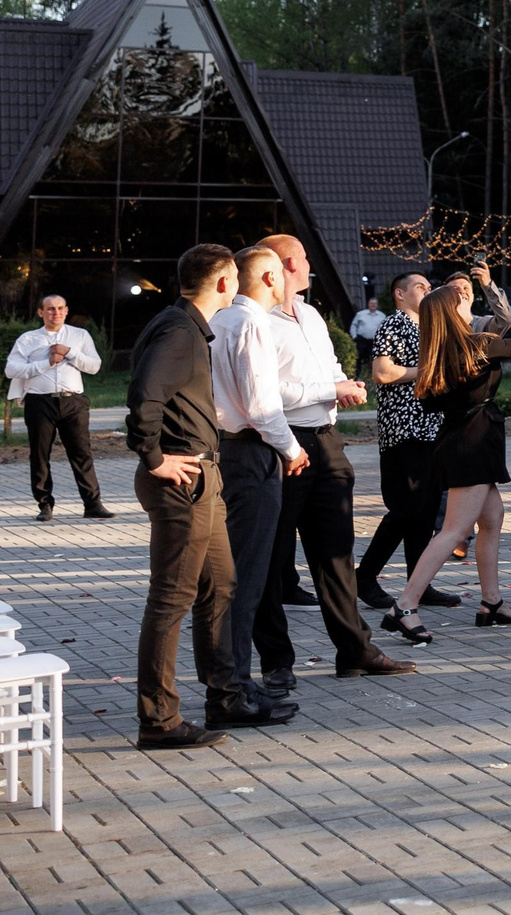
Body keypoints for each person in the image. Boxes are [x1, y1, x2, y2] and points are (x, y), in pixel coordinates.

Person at [252, 234, 405, 687]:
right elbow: (263, 392)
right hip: (282, 443)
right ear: (282, 265)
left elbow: (329, 367)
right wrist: (328, 390)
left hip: (326, 440)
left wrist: (344, 386)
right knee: (272, 557)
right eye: (302, 258)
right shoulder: (256, 321)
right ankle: (276, 662)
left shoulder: (311, 314)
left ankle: (355, 651)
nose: (308, 265)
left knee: (336, 553)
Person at [127, 244, 252, 748]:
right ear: (223, 283)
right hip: (181, 482)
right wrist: (154, 458)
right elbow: (145, 397)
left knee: (220, 584)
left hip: (204, 478)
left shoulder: (185, 326)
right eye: (235, 277)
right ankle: (158, 721)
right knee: (172, 596)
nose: (237, 285)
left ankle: (225, 696)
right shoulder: (179, 331)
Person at [383, 285, 511, 639]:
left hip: (465, 442)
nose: (467, 303)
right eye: (461, 300)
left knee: (492, 518)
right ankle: (404, 606)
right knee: (454, 531)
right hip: (471, 446)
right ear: (450, 312)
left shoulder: (440, 351)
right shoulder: (471, 347)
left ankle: (491, 602)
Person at [207, 246, 306, 727]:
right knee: (244, 577)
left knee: (237, 576)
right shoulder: (249, 322)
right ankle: (234, 690)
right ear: (269, 277)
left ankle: (235, 683)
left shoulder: (222, 320)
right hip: (250, 453)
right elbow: (261, 404)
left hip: (230, 451)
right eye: (282, 271)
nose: (289, 277)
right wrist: (292, 448)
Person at [357, 273, 462, 611]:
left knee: (426, 512)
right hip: (404, 433)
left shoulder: (429, 328)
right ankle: (365, 576)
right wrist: (429, 371)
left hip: (432, 431)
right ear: (399, 294)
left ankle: (420, 584)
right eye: (420, 287)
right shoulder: (394, 324)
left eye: (430, 287)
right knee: (407, 510)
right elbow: (382, 372)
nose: (428, 291)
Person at [8, 293, 110, 521]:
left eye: (60, 308)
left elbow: (94, 366)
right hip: (39, 402)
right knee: (40, 454)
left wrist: (69, 352)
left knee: (82, 453)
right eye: (50, 309)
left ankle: (93, 504)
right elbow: (11, 369)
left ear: (66, 310)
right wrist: (46, 363)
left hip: (73, 402)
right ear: (40, 312)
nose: (56, 312)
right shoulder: (28, 339)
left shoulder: (80, 336)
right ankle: (45, 505)